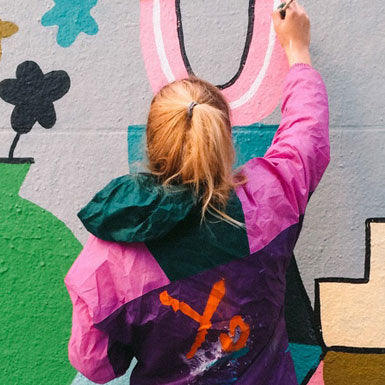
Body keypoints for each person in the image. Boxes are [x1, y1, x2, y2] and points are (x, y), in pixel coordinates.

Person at [64, 2, 329, 384]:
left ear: (152, 144)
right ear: (223, 140)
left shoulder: (110, 259)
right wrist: (298, 52)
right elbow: (307, 136)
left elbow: (97, 365)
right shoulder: (267, 201)